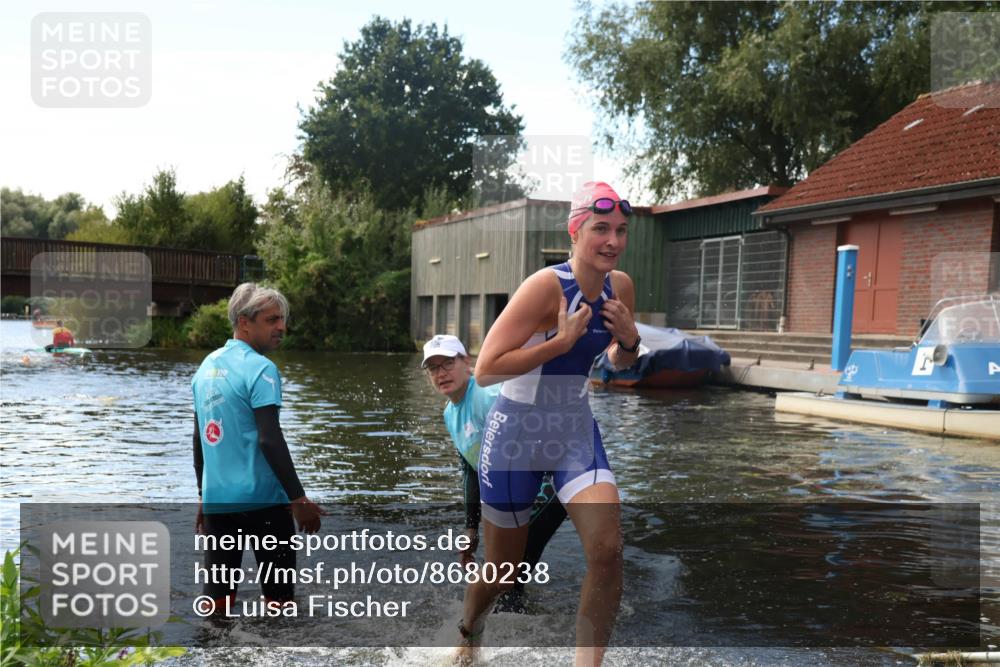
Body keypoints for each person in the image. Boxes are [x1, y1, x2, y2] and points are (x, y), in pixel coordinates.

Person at [456, 182, 640, 666]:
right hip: (516, 435)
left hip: (573, 432)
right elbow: (486, 368)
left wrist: (630, 342)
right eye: (601, 229)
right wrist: (557, 345)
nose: (613, 241)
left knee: (606, 548)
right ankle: (468, 631)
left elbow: (618, 364)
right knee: (503, 567)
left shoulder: (621, 286)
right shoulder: (544, 287)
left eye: (621, 230)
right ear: (575, 231)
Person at [192, 283, 324, 611]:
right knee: (278, 608)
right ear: (244, 321)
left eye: (282, 319)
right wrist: (298, 498)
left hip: (218, 504)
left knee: (217, 607)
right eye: (271, 320)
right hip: (265, 504)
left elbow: (199, 440)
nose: (281, 327)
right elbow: (270, 438)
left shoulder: (205, 367)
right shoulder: (262, 368)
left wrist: (201, 495)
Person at [421, 333, 567, 614]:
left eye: (448, 363)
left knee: (505, 571)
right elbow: (472, 468)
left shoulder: (488, 395)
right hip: (514, 496)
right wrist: (471, 527)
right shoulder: (450, 413)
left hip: (550, 486)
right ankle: (519, 634)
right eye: (433, 367)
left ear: (468, 362)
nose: (441, 373)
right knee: (509, 576)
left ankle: (508, 637)